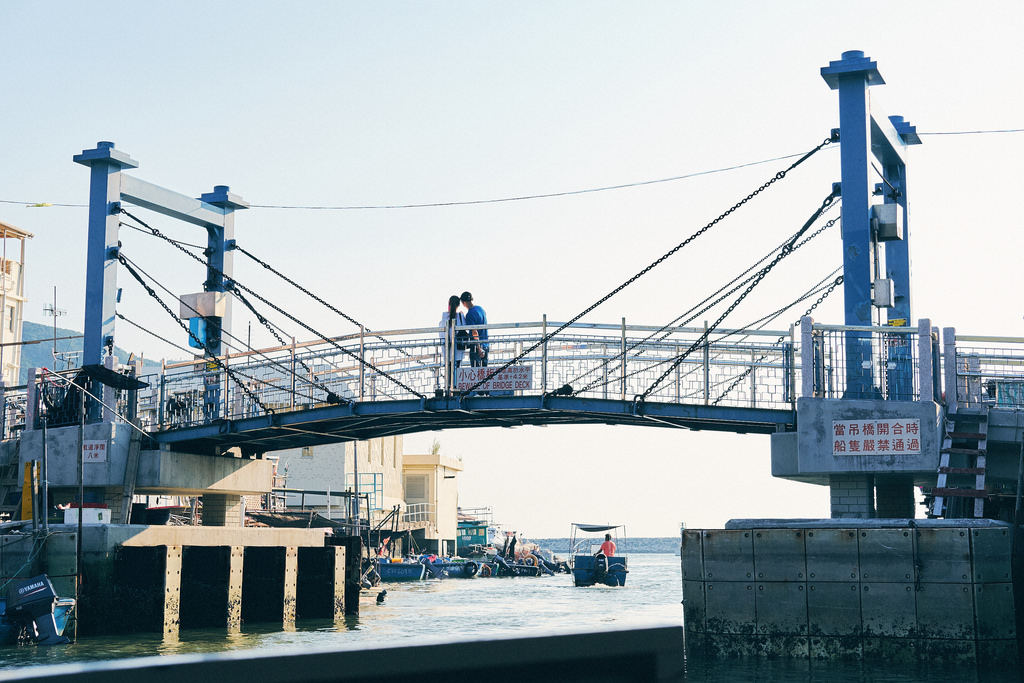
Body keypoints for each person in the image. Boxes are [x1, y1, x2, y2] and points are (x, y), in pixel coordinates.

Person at [460, 291, 488, 368]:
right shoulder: (481, 309)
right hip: (486, 344)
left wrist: (478, 348)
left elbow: (474, 331)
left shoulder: (469, 314)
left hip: (476, 346)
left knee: (476, 373)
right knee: (484, 372)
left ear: (463, 302)